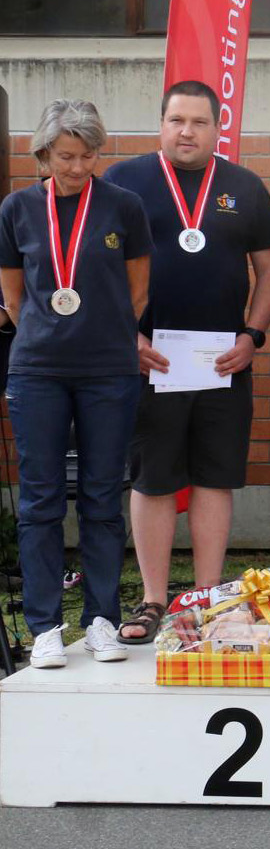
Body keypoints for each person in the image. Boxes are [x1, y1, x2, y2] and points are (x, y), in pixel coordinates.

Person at [102, 81, 270, 645]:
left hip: (223, 362)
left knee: (213, 476)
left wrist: (254, 335)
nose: (187, 131)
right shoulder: (124, 183)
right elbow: (100, 269)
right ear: (161, 124)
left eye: (199, 122)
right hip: (150, 359)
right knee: (153, 478)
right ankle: (156, 598)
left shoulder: (244, 186)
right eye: (177, 120)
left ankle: (206, 596)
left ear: (217, 127)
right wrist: (125, 337)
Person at [0, 100, 152, 666]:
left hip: (109, 370)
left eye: (89, 155)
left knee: (101, 497)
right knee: (39, 499)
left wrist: (108, 336)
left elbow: (137, 292)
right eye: (66, 156)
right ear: (43, 152)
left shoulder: (123, 207)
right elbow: (14, 297)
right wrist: (48, 334)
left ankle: (102, 620)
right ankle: (44, 627)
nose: (78, 167)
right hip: (37, 369)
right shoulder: (17, 209)